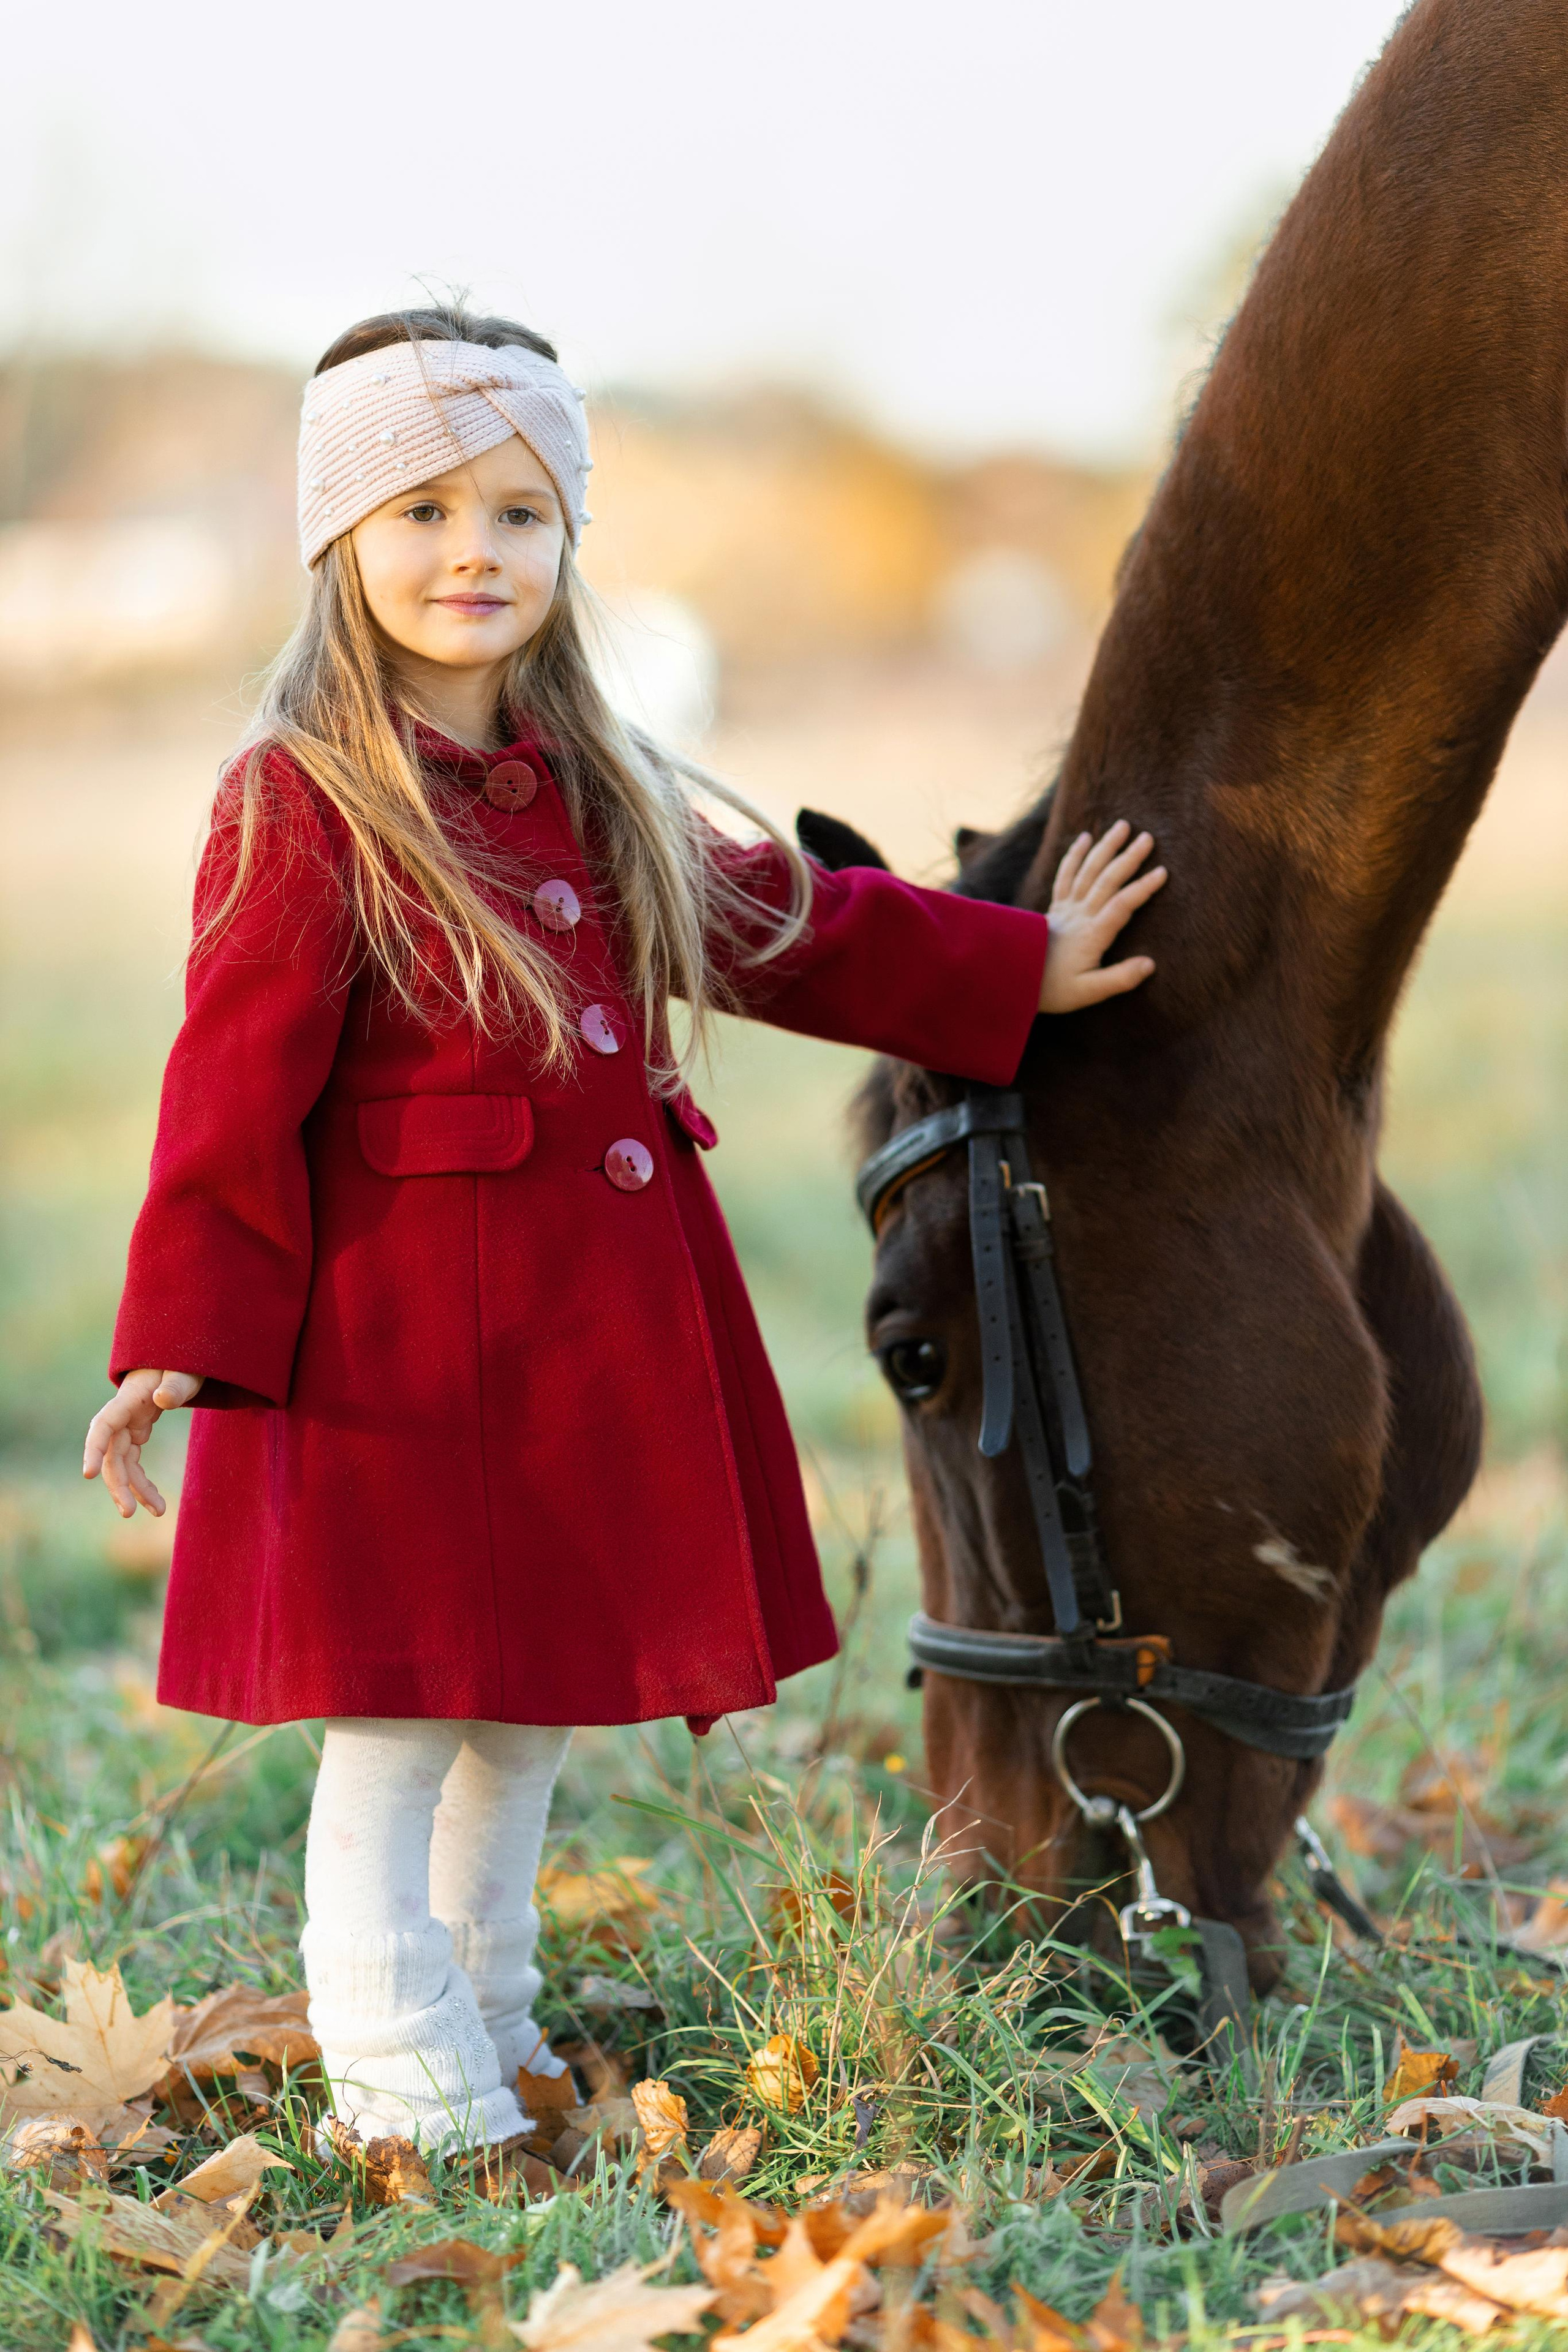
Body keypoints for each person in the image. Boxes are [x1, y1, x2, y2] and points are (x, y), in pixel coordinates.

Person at [83, 306, 1166, 2157]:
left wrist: (1014, 969)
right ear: (339, 542)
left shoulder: (595, 785)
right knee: (403, 1723)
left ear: (571, 541)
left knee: (533, 1720)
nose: (471, 553)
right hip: (400, 1356)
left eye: (519, 512)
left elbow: (788, 923)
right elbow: (228, 1087)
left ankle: (487, 2014)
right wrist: (182, 1328)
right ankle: (398, 2078)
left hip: (576, 1348)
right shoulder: (307, 797)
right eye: (419, 511)